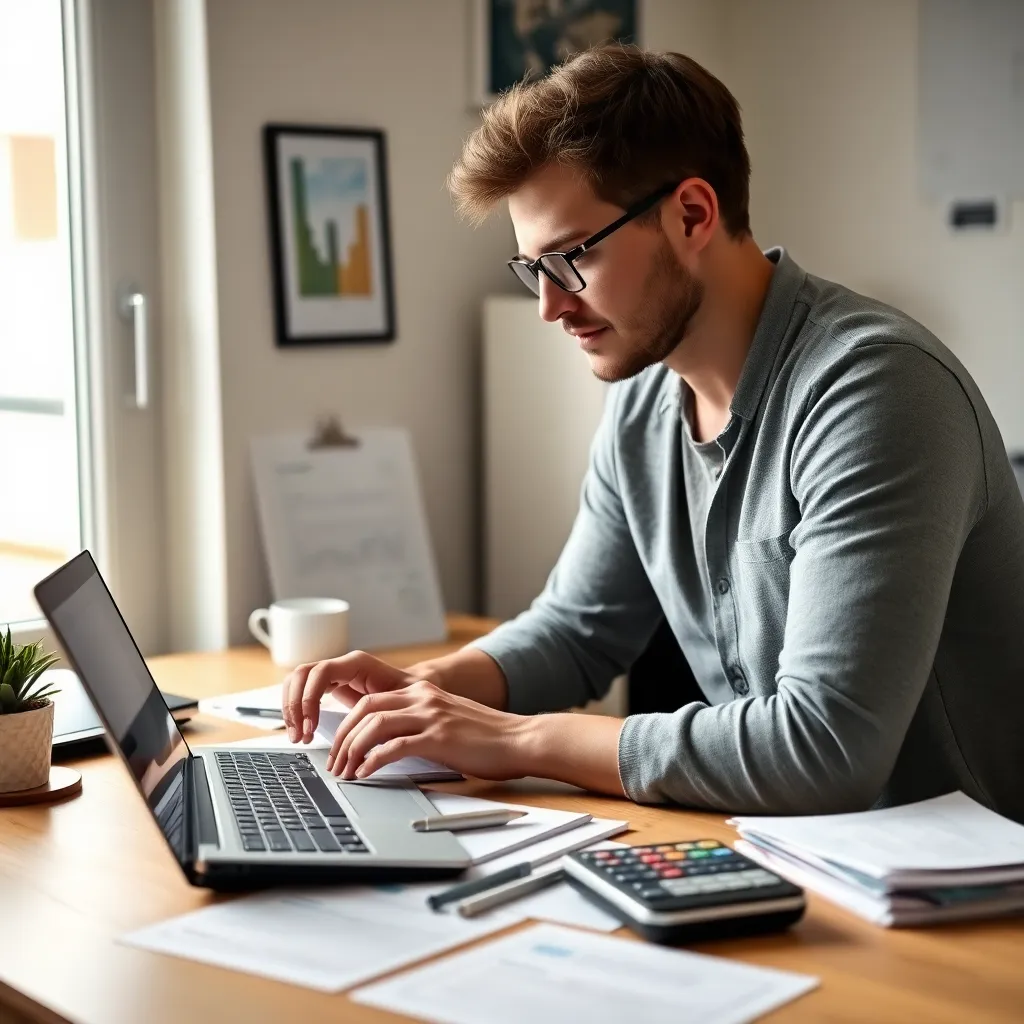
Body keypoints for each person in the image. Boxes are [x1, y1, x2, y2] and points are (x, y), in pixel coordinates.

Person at [281, 46, 1024, 817]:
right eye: (533, 268)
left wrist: (517, 740)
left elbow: (824, 747)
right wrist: (426, 693)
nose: (549, 306)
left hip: (970, 904)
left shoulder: (875, 392)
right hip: (797, 856)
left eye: (572, 258)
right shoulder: (645, 401)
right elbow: (578, 629)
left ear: (693, 214)